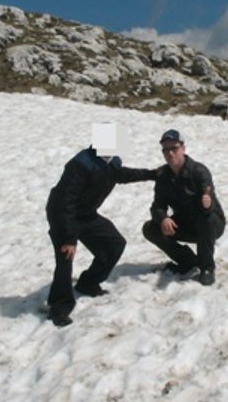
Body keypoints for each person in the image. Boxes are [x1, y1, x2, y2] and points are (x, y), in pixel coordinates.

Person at [45, 140, 156, 328]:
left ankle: (88, 283)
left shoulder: (112, 163)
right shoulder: (80, 164)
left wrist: (153, 174)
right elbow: (66, 202)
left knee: (115, 244)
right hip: (62, 215)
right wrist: (69, 238)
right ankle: (59, 307)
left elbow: (123, 174)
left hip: (86, 215)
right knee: (65, 257)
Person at [143, 129, 225, 286]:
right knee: (150, 228)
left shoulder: (199, 171)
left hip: (210, 224)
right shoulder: (163, 176)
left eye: (174, 148)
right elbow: (157, 206)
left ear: (183, 148)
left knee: (206, 219)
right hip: (185, 222)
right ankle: (187, 261)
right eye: (166, 150)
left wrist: (207, 204)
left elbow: (209, 201)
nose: (170, 153)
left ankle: (206, 267)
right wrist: (163, 218)